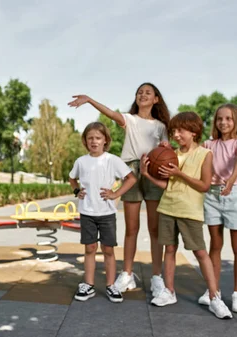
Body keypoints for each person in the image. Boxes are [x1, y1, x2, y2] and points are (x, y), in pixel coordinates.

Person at [68, 83, 170, 297]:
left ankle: (156, 276)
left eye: (148, 93)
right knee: (131, 228)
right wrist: (89, 99)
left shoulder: (161, 127)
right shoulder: (130, 120)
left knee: (154, 229)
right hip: (131, 168)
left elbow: (167, 151)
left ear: (156, 99)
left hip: (151, 169)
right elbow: (111, 113)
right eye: (140, 92)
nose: (143, 95)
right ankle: (127, 273)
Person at [141, 111, 233, 319]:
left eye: (180, 131)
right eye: (173, 131)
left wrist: (180, 173)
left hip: (189, 211)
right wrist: (147, 174)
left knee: (200, 253)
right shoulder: (173, 154)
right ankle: (169, 292)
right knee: (170, 250)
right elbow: (168, 186)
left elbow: (204, 185)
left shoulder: (205, 154)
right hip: (167, 207)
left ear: (193, 132)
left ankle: (214, 297)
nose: (176, 135)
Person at [69, 122, 137, 303]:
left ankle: (110, 285)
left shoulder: (112, 160)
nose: (94, 141)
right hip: (87, 213)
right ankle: (89, 285)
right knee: (90, 248)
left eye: (98, 138)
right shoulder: (81, 161)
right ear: (85, 141)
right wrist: (76, 191)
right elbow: (71, 177)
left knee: (108, 249)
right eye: (90, 138)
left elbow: (131, 179)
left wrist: (115, 194)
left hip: (106, 213)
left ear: (105, 140)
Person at [199, 103, 237, 314]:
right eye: (219, 119)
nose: (223, 122)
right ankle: (213, 291)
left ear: (236, 121)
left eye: (228, 118)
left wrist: (231, 180)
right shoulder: (208, 144)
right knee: (215, 245)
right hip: (212, 196)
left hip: (235, 194)